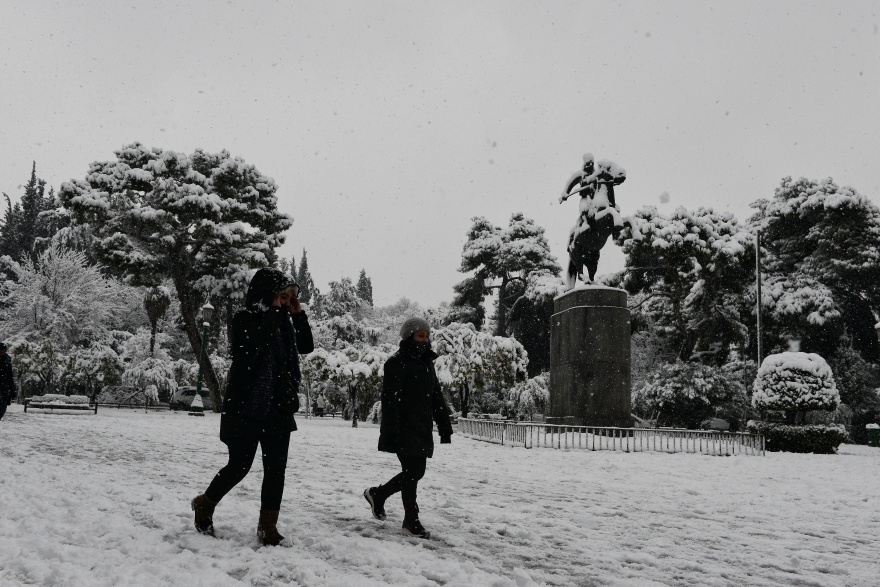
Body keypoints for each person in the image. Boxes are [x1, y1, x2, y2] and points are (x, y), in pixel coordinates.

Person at [191, 268, 314, 546]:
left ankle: (267, 526)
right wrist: (275, 311)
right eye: (281, 296)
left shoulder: (284, 321)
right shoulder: (243, 319)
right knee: (239, 465)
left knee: (275, 470)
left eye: (288, 298)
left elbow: (306, 346)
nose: (285, 302)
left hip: (278, 406)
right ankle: (205, 502)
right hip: (246, 406)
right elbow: (252, 347)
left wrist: (297, 313)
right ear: (267, 295)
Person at [364, 318, 453, 539]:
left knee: (412, 473)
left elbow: (435, 397)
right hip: (404, 427)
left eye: (426, 335)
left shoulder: (426, 363)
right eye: (420, 335)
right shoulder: (397, 362)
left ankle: (386, 500)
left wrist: (444, 425)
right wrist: (391, 431)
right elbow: (390, 399)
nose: (425, 339)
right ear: (408, 336)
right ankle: (407, 516)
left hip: (422, 427)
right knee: (414, 472)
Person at [0, 342, 16, 421]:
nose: (1, 352)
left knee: (1, 411)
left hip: (3, 390)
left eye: (3, 351)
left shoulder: (7, 362)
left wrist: (13, 390)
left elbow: (10, 377)